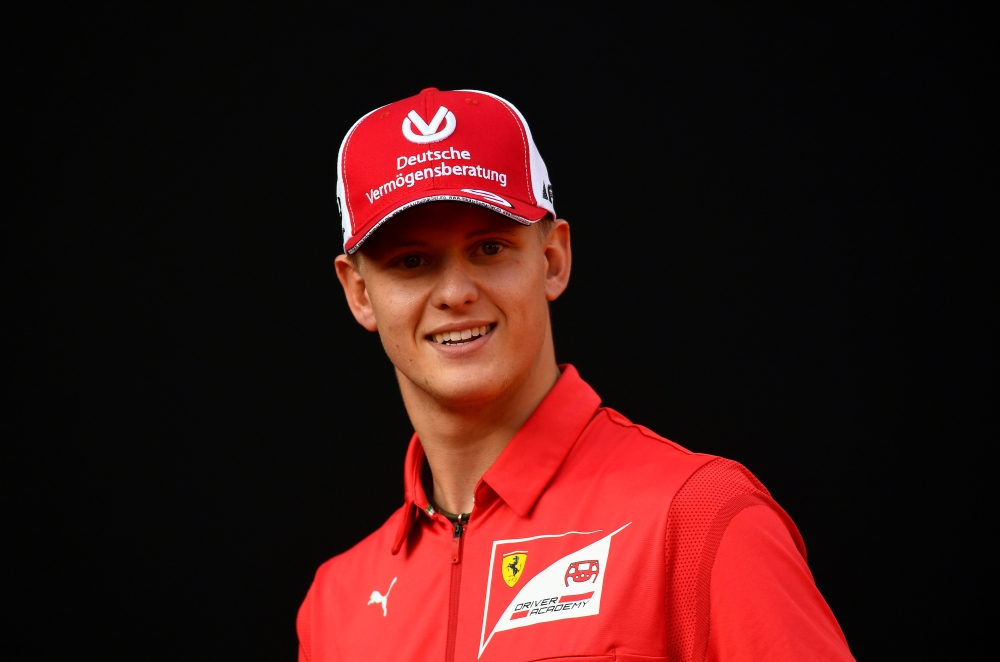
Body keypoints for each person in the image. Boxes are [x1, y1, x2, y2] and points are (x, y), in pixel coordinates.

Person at [297, 88, 854, 662]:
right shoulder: (333, 604)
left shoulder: (697, 516)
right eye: (411, 261)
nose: (457, 293)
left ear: (553, 260)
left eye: (489, 248)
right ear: (360, 293)